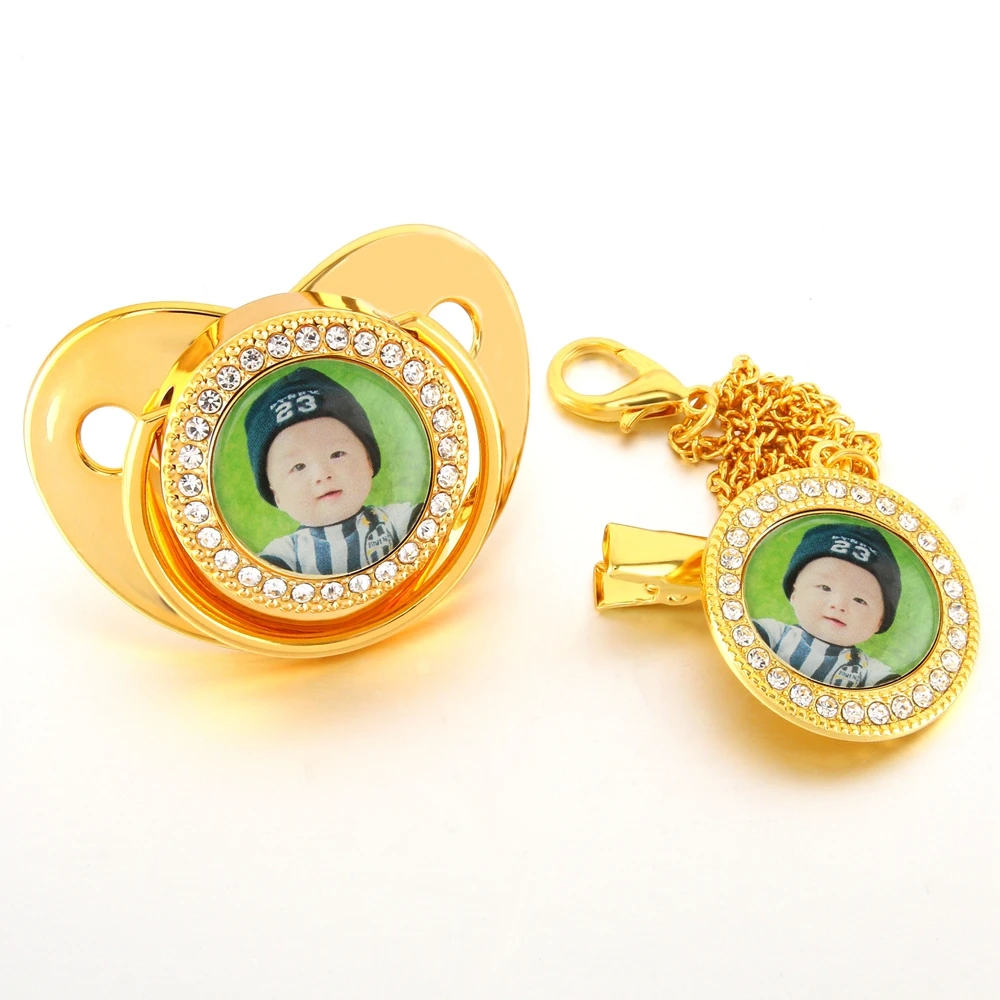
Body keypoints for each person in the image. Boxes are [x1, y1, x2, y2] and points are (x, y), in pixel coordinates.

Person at [244, 367, 419, 575]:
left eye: (337, 454)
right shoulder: (287, 555)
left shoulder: (396, 522)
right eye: (299, 467)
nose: (322, 474)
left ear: (369, 461)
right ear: (276, 495)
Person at [752, 522, 901, 688]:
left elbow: (894, 690)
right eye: (825, 588)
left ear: (880, 621)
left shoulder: (867, 671)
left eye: (860, 600)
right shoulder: (776, 635)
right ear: (795, 593)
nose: (839, 605)